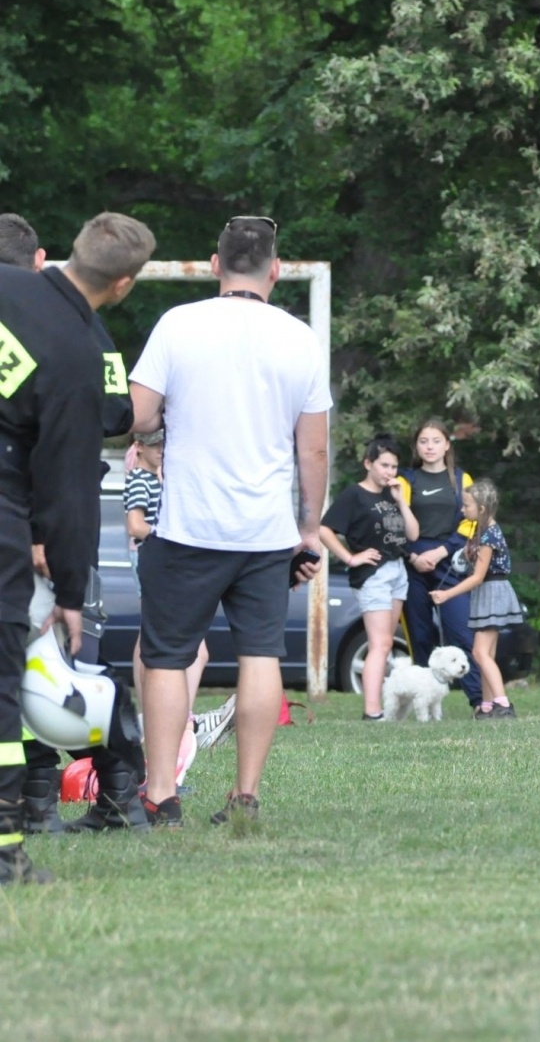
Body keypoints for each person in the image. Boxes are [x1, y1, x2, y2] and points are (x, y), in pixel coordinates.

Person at [129, 214, 331, 829]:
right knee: (261, 656)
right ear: (275, 269)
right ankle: (245, 795)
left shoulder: (177, 324)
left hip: (189, 523)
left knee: (166, 656)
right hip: (265, 530)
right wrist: (308, 526)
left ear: (215, 265)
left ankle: (161, 795)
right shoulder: (300, 339)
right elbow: (314, 451)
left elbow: (138, 417)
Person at [1, 211, 154, 882]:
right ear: (122, 284)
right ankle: (6, 851)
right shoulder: (78, 350)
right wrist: (69, 589)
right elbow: (67, 486)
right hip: (14, 512)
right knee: (9, 688)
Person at [320, 434, 419, 720]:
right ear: (368, 463)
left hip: (398, 570)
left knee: (386, 641)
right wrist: (351, 558)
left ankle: (380, 709)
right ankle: (372, 712)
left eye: (393, 466)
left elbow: (412, 534)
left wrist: (401, 501)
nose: (389, 472)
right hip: (372, 574)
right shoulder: (354, 494)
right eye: (384, 465)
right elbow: (325, 530)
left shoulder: (393, 494)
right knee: (380, 643)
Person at [396, 419, 482, 712]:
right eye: (423, 441)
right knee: (420, 636)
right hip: (414, 564)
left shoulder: (461, 479)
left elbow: (473, 521)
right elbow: (394, 522)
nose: (430, 447)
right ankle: (424, 707)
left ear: (447, 445)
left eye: (436, 441)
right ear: (416, 446)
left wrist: (442, 551)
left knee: (460, 633)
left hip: (450, 562)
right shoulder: (406, 479)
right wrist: (412, 555)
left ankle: (479, 703)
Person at [124, 432, 211, 713]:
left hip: (155, 557)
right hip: (152, 557)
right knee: (169, 639)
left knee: (153, 634)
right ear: (139, 448)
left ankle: (163, 709)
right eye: (154, 445)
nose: (161, 450)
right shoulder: (140, 479)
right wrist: (168, 535)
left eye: (164, 444)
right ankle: (174, 712)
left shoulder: (152, 479)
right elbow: (135, 525)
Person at [426, 479, 521, 719]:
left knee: (478, 653)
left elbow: (478, 577)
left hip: (491, 592)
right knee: (486, 654)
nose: (462, 509)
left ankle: (503, 704)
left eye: (466, 505)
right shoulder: (483, 531)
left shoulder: (489, 535)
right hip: (488, 593)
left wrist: (447, 593)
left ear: (481, 509)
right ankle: (488, 705)